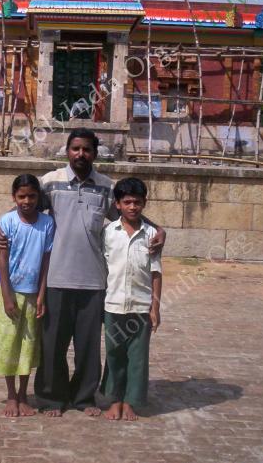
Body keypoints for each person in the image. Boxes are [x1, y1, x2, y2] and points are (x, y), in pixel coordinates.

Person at [0, 128, 166, 416]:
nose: (80, 154)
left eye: (86, 149)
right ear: (67, 151)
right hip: (56, 278)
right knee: (53, 346)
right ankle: (52, 398)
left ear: (95, 153)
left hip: (94, 281)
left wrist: (159, 229)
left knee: (88, 347)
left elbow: (129, 214)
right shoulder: (50, 183)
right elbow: (24, 207)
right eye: (75, 148)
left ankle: (84, 398)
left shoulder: (107, 187)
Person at [0, 174, 55, 417]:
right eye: (22, 196)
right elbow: (2, 261)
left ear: (38, 197)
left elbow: (46, 262)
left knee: (28, 345)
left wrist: (41, 294)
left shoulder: (47, 224)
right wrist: (7, 295)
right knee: (8, 344)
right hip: (8, 290)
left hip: (32, 294)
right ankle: (11, 394)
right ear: (14, 197)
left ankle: (24, 394)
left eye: (32, 196)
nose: (27, 201)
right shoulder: (7, 221)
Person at [101, 177, 162, 422]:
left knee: (137, 357)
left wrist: (155, 307)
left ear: (144, 203)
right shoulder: (108, 233)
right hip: (113, 304)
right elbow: (103, 268)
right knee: (114, 354)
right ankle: (115, 400)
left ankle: (130, 402)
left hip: (141, 305)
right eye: (127, 202)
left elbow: (156, 273)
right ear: (117, 204)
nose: (132, 207)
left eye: (137, 202)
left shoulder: (152, 235)